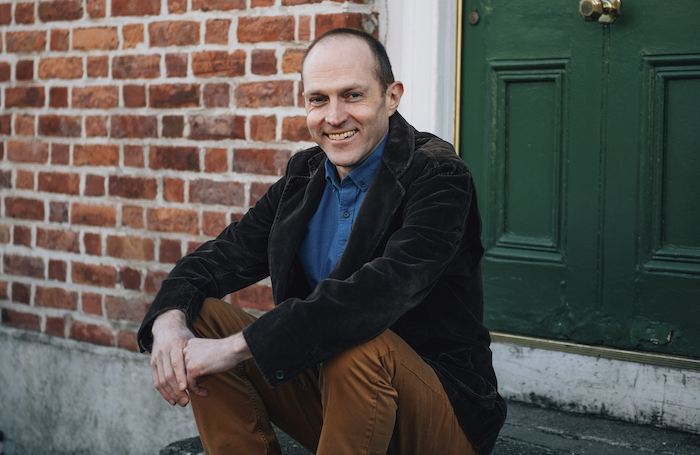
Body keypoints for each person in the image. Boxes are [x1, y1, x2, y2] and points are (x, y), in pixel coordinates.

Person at [138, 27, 506, 455]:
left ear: (391, 97)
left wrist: (238, 348)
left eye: (352, 95)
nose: (334, 117)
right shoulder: (305, 175)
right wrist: (168, 322)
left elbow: (377, 294)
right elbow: (220, 258)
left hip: (437, 415)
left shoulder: (438, 174)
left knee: (358, 341)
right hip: (335, 401)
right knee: (200, 317)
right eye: (318, 99)